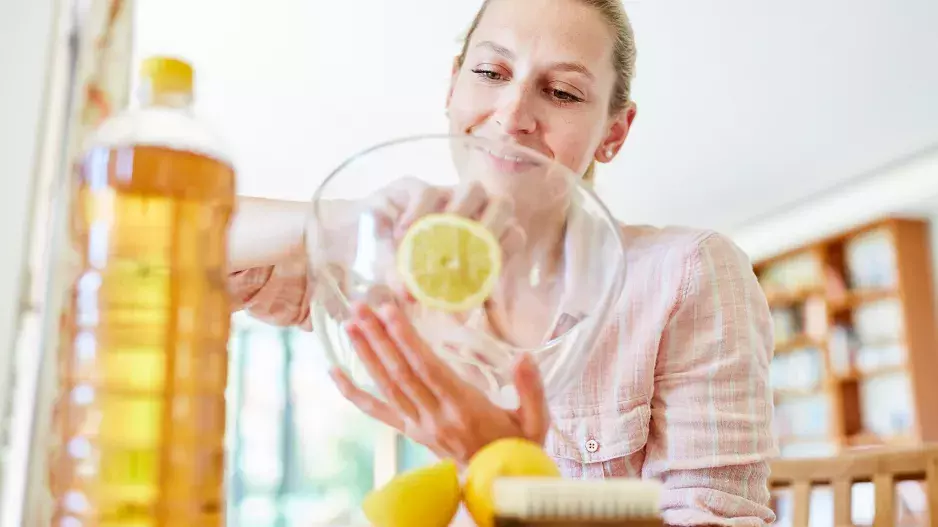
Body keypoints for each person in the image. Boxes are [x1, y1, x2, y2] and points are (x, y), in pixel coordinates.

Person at [227, 0, 778, 524]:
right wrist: (340, 222)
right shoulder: (390, 265)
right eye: (491, 72)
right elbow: (173, 251)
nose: (513, 115)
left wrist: (507, 472)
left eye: (561, 92)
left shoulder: (686, 274)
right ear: (452, 86)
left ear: (613, 133)